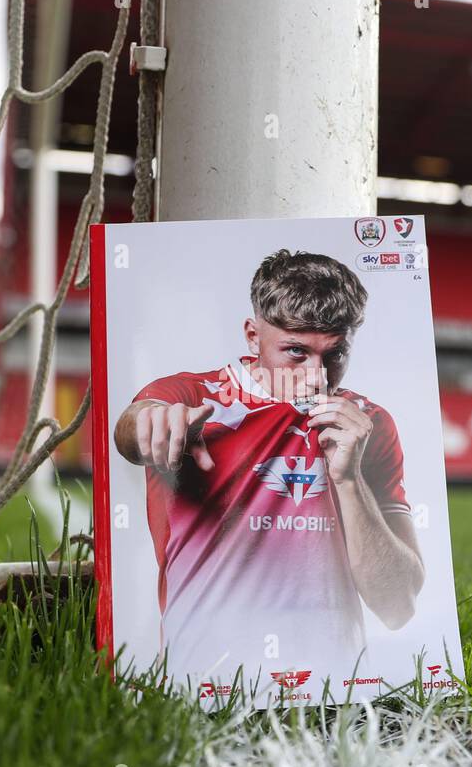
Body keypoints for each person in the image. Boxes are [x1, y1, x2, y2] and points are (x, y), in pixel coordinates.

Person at [113, 249, 424, 686]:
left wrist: (349, 481)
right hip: (204, 684)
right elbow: (133, 428)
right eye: (296, 351)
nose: (317, 376)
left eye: (334, 354)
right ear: (252, 335)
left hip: (334, 688)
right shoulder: (190, 396)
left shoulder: (367, 424)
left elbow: (397, 605)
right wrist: (147, 420)